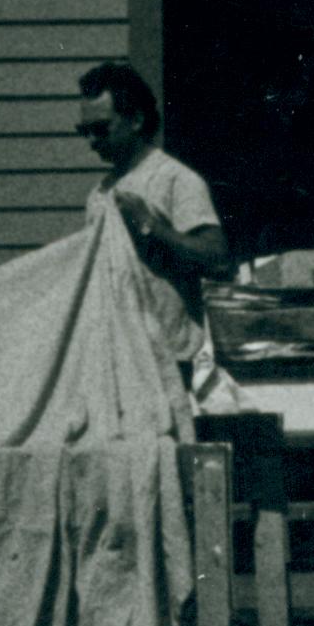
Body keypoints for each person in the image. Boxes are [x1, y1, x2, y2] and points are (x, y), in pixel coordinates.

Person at [75, 60, 230, 387]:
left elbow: (217, 257)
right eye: (83, 131)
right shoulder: (99, 194)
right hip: (115, 357)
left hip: (169, 359)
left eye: (100, 128)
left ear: (136, 120)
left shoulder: (176, 180)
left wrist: (151, 227)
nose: (91, 140)